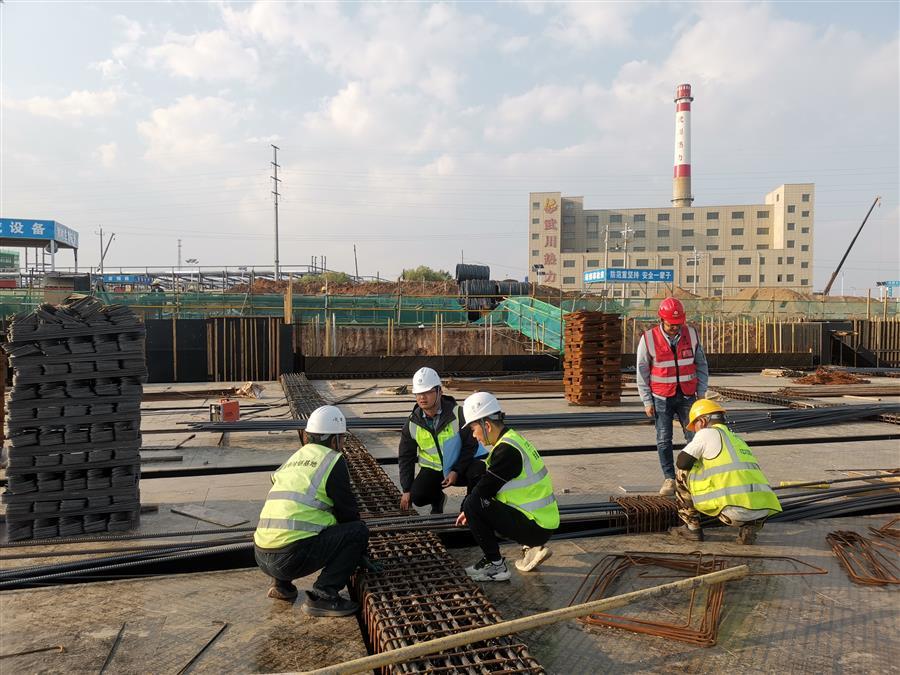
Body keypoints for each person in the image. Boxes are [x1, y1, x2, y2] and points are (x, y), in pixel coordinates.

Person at [254, 405, 369, 617]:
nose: (342, 445)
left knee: (292, 527)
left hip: (261, 555)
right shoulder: (333, 460)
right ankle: (324, 595)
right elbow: (348, 514)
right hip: (290, 559)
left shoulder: (294, 458)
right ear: (334, 440)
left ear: (309, 436)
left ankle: (282, 586)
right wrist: (359, 551)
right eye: (342, 439)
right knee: (358, 531)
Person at [455, 392, 559, 581]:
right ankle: (528, 547)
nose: (473, 435)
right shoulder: (510, 440)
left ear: (486, 426)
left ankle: (496, 566)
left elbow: (483, 491)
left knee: (472, 504)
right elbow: (485, 477)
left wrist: (468, 511)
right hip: (539, 519)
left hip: (536, 526)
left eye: (473, 429)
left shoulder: (507, 451)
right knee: (476, 470)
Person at [670, 399, 782, 544]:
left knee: (682, 473)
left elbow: (682, 461)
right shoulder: (737, 439)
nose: (695, 430)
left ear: (703, 421)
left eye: (695, 425)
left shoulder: (706, 434)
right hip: (763, 511)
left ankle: (692, 529)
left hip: (732, 513)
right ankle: (750, 526)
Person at [636, 296, 709, 496]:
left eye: (678, 324)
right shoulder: (648, 339)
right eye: (671, 325)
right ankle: (669, 478)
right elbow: (642, 371)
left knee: (695, 437)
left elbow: (701, 365)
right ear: (661, 320)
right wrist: (646, 400)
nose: (675, 328)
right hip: (661, 398)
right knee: (663, 439)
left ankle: (691, 476)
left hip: (687, 395)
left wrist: (701, 392)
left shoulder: (692, 335)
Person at [398, 367, 487, 514]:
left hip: (461, 467)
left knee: (479, 470)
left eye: (427, 392)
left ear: (440, 391)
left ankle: (468, 507)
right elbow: (405, 457)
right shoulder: (413, 423)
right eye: (418, 393)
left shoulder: (458, 414)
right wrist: (406, 489)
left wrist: (456, 471)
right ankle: (437, 499)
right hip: (434, 470)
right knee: (418, 496)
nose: (422, 397)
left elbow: (470, 446)